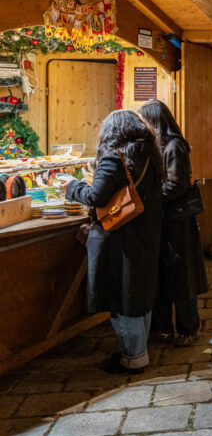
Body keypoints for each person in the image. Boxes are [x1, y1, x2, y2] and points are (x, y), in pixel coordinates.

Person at [62, 110, 163, 374]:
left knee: (122, 297)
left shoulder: (114, 159)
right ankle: (139, 349)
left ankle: (134, 356)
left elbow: (96, 196)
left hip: (120, 240)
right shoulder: (150, 154)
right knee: (139, 295)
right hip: (145, 235)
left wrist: (72, 186)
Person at [139, 100, 208, 348]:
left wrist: (149, 199)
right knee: (162, 275)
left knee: (181, 276)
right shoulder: (156, 146)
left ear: (155, 120)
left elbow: (177, 184)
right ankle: (162, 327)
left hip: (177, 221)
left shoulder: (175, 146)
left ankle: (189, 327)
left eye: (145, 120)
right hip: (162, 220)